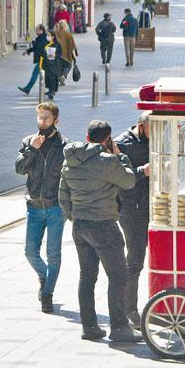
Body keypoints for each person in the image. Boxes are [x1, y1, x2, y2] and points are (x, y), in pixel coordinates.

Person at [58, 120, 141, 343]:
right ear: (107, 139)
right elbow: (129, 181)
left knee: (87, 276)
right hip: (104, 225)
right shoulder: (108, 161)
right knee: (118, 275)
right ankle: (119, 328)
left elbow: (63, 196)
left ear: (87, 137)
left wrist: (73, 216)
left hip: (80, 225)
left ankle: (90, 327)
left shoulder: (70, 160)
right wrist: (120, 156)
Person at [15, 102, 69, 313]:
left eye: (46, 118)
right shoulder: (28, 142)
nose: (42, 122)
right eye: (40, 118)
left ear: (56, 120)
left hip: (56, 207)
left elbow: (69, 177)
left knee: (53, 254)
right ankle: (45, 278)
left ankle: (47, 294)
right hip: (35, 206)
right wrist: (31, 150)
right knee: (30, 253)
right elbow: (19, 168)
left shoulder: (65, 146)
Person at [115, 112, 151, 329]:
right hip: (132, 209)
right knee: (135, 260)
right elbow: (119, 176)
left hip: (153, 205)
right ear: (140, 126)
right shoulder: (123, 143)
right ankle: (129, 309)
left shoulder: (156, 138)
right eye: (151, 129)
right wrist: (142, 172)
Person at [18, 24, 48, 95]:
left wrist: (33, 42)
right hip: (42, 59)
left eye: (37, 30)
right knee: (42, 75)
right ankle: (46, 90)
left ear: (41, 30)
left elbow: (38, 47)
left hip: (42, 59)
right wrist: (27, 51)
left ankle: (28, 89)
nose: (36, 31)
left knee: (35, 74)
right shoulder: (42, 37)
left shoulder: (42, 38)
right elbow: (36, 47)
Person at [54, 20, 77, 85]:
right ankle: (63, 76)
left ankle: (60, 78)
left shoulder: (56, 33)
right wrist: (74, 55)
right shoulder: (68, 34)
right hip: (67, 55)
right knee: (68, 65)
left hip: (57, 54)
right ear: (65, 26)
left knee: (60, 66)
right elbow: (73, 46)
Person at [42, 30, 62, 100]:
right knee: (48, 78)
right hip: (47, 64)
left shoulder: (55, 44)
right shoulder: (47, 43)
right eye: (47, 35)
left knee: (52, 78)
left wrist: (54, 56)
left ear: (53, 37)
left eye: (49, 35)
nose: (47, 37)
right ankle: (50, 90)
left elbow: (59, 54)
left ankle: (52, 92)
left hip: (53, 64)